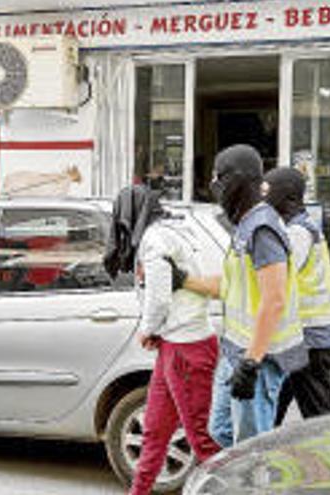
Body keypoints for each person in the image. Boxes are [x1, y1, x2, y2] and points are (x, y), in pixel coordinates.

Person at [176, 144, 306, 446]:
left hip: (258, 358)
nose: (214, 187)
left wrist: (251, 363)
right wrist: (183, 281)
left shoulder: (262, 229)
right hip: (235, 350)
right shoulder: (245, 226)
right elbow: (234, 287)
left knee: (252, 449)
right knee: (221, 430)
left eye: (219, 178)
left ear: (237, 181)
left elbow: (274, 299)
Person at [111, 185, 220, 495]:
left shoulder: (154, 240)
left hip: (186, 347)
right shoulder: (174, 230)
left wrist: (148, 329)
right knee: (155, 431)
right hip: (176, 346)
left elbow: (158, 296)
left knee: (200, 440)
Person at [262, 168, 330, 425]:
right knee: (273, 408)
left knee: (318, 417)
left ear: (285, 197)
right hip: (304, 337)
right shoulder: (298, 227)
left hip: (312, 339)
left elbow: (279, 274)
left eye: (267, 191)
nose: (263, 197)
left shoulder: (298, 233)